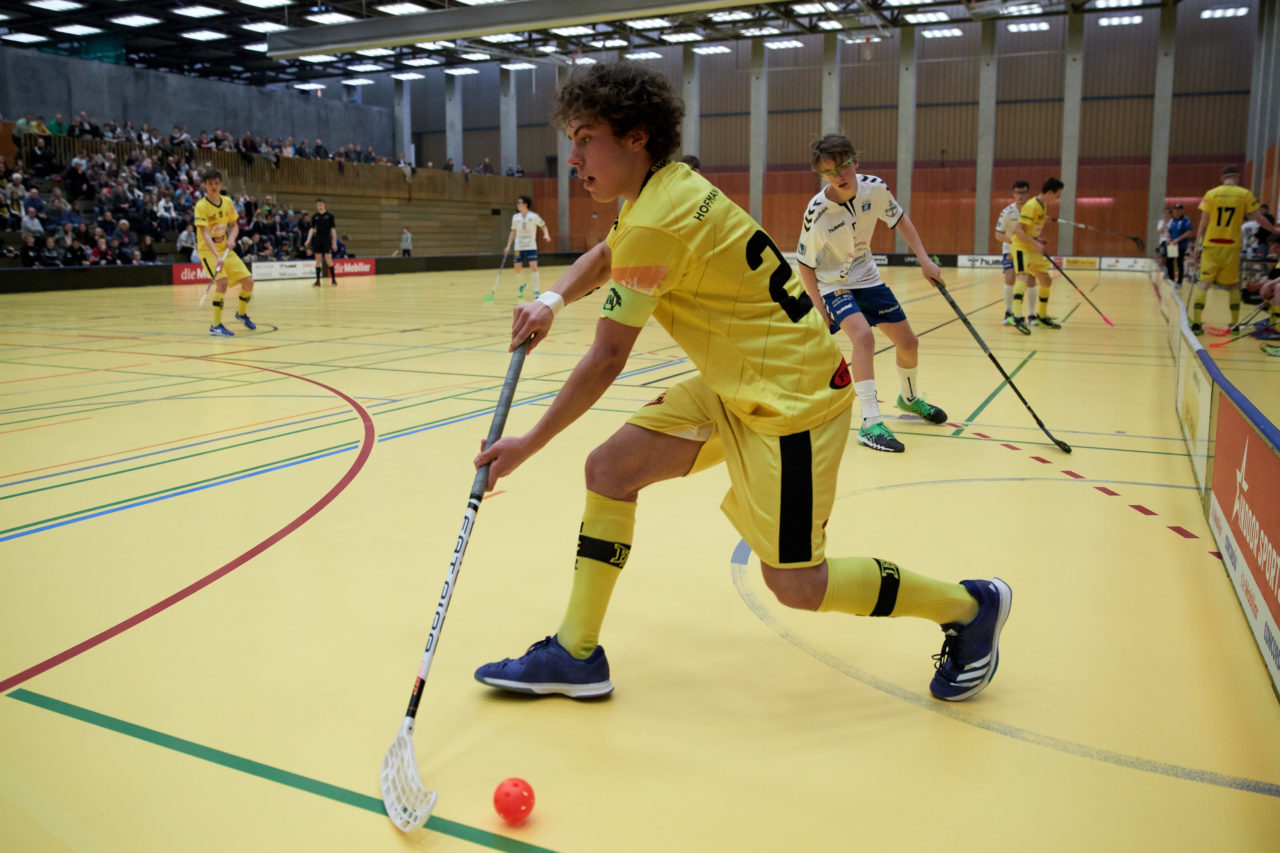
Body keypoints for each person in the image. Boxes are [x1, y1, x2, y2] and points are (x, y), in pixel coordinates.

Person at [470, 61, 1011, 703]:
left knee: (795, 584)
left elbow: (607, 357)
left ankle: (970, 608)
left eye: (586, 137)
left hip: (793, 402)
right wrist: (552, 302)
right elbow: (611, 250)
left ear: (636, 136)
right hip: (739, 384)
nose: (573, 157)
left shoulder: (656, 215)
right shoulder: (666, 188)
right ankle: (576, 653)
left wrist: (525, 445)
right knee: (610, 469)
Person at [794, 134, 949, 454]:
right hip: (833, 283)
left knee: (909, 342)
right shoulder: (817, 212)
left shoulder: (875, 188)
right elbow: (805, 263)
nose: (839, 176)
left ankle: (909, 400)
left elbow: (899, 219)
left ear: (855, 161)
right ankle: (870, 421)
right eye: (829, 172)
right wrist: (820, 308)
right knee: (863, 337)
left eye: (844, 166)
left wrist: (924, 259)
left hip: (868, 278)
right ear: (821, 175)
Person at [1188, 165, 1279, 334]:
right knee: (1232, 286)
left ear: (1222, 178)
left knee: (1204, 284)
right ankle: (1235, 324)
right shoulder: (1244, 194)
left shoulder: (1211, 194)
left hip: (1211, 244)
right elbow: (1258, 217)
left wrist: (1197, 246)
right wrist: (1274, 230)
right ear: (1237, 177)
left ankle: (1196, 323)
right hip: (1232, 245)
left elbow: (1203, 222)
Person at [193, 170, 258, 336]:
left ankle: (241, 313)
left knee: (249, 282)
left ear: (220, 184)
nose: (213, 187)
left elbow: (235, 226)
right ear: (204, 185)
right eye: (210, 184)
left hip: (225, 248)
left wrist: (232, 239)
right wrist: (216, 255)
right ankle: (215, 325)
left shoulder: (227, 201)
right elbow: (205, 234)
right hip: (208, 250)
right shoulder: (201, 206)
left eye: (216, 183)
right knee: (222, 283)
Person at [1009, 177, 1066, 330]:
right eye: (1057, 195)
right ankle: (1017, 316)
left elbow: (1030, 229)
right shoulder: (1032, 206)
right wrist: (1035, 243)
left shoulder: (1042, 206)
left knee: (1046, 280)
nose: (1057, 198)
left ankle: (1041, 316)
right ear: (1049, 192)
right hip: (1021, 247)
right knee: (1022, 276)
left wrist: (1037, 239)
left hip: (1031, 247)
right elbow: (1017, 230)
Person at [995, 180, 1033, 331]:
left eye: (1023, 193)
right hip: (1010, 250)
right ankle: (1009, 312)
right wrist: (1013, 241)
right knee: (1010, 276)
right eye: (1018, 193)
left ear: (1028, 193)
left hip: (1028, 250)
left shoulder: (1032, 210)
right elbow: (997, 234)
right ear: (1013, 194)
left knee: (1030, 279)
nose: (1020, 196)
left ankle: (1031, 314)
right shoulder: (1007, 212)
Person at [504, 194, 551, 299]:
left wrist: (546, 234)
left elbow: (543, 225)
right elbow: (513, 231)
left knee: (533, 267)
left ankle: (536, 290)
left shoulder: (534, 216)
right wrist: (508, 245)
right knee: (517, 268)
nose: (517, 204)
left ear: (525, 204)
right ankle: (521, 285)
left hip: (531, 246)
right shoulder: (515, 217)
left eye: (519, 202)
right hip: (519, 246)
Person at [306, 198, 337, 286]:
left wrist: (334, 243)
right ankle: (318, 281)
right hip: (318, 239)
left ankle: (334, 280)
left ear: (324, 205)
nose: (319, 207)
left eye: (321, 205)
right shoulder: (315, 216)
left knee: (328, 260)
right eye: (318, 205)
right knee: (318, 261)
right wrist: (308, 240)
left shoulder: (330, 216)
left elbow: (333, 229)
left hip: (327, 239)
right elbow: (312, 229)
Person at [1166, 203, 1194, 283]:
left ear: (1182, 211)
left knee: (1179, 263)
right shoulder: (1172, 220)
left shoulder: (1186, 220)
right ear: (1173, 211)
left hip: (1181, 245)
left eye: (1179, 210)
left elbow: (1189, 232)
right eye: (1175, 210)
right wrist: (1168, 238)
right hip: (1172, 245)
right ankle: (1171, 279)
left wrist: (1178, 239)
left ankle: (1179, 282)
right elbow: (1169, 231)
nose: (1177, 212)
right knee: (1169, 262)